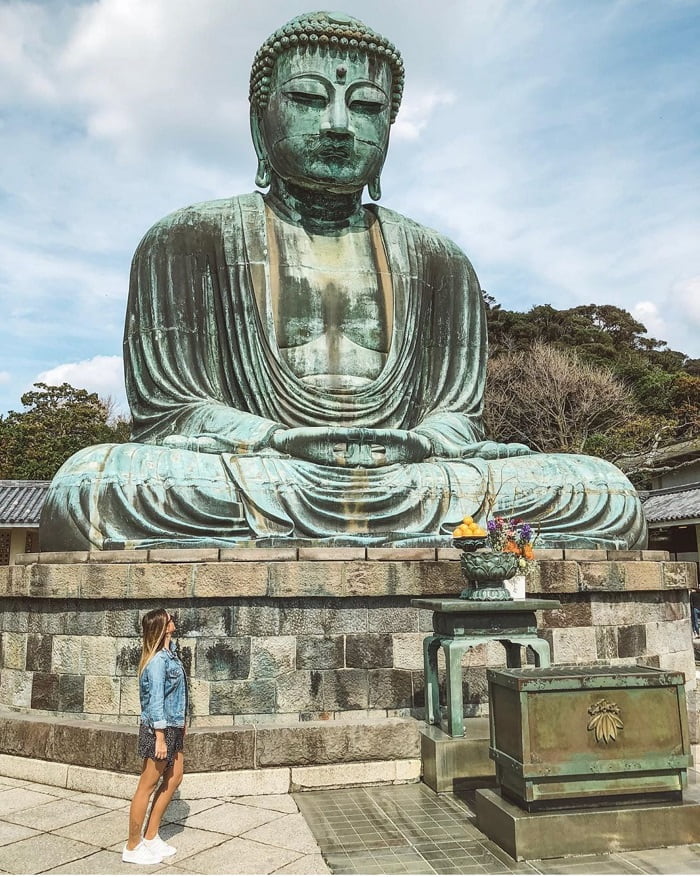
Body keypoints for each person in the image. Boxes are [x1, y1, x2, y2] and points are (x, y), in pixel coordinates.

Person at [40, 11, 646, 551]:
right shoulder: (187, 239)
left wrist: (421, 444)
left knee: (603, 489)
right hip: (260, 469)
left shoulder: (440, 260)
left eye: (365, 107)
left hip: (412, 474)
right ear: (259, 122)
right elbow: (174, 412)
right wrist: (277, 439)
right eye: (307, 99)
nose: (337, 125)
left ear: (387, 131)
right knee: (91, 487)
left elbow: (458, 416)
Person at [122, 609, 186, 866]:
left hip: (173, 727)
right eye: (169, 619)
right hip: (159, 729)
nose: (173, 621)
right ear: (162, 626)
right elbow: (156, 701)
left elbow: (176, 697)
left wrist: (181, 726)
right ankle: (132, 846)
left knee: (175, 777)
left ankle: (150, 836)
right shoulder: (158, 661)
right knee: (146, 785)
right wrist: (160, 737)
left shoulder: (170, 656)